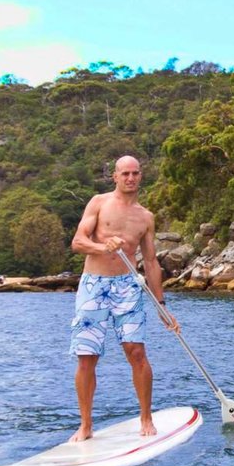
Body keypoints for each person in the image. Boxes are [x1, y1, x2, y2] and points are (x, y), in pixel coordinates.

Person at [67, 155, 178, 442]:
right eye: (125, 173)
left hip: (128, 287)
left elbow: (151, 262)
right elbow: (78, 242)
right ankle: (86, 425)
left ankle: (146, 418)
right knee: (86, 357)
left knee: (137, 352)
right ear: (115, 176)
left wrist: (161, 305)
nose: (130, 178)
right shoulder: (99, 203)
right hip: (93, 286)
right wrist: (103, 247)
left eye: (135, 173)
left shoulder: (145, 217)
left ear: (141, 176)